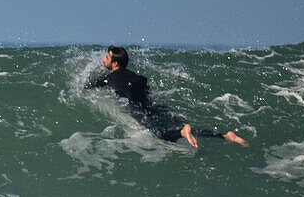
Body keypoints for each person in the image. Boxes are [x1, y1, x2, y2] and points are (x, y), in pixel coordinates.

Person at [86, 46, 248, 148]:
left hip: (137, 107)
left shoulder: (110, 78)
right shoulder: (135, 76)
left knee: (160, 134)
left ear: (114, 64)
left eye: (106, 58)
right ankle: (224, 136)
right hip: (152, 105)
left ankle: (185, 132)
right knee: (176, 126)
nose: (103, 60)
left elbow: (88, 86)